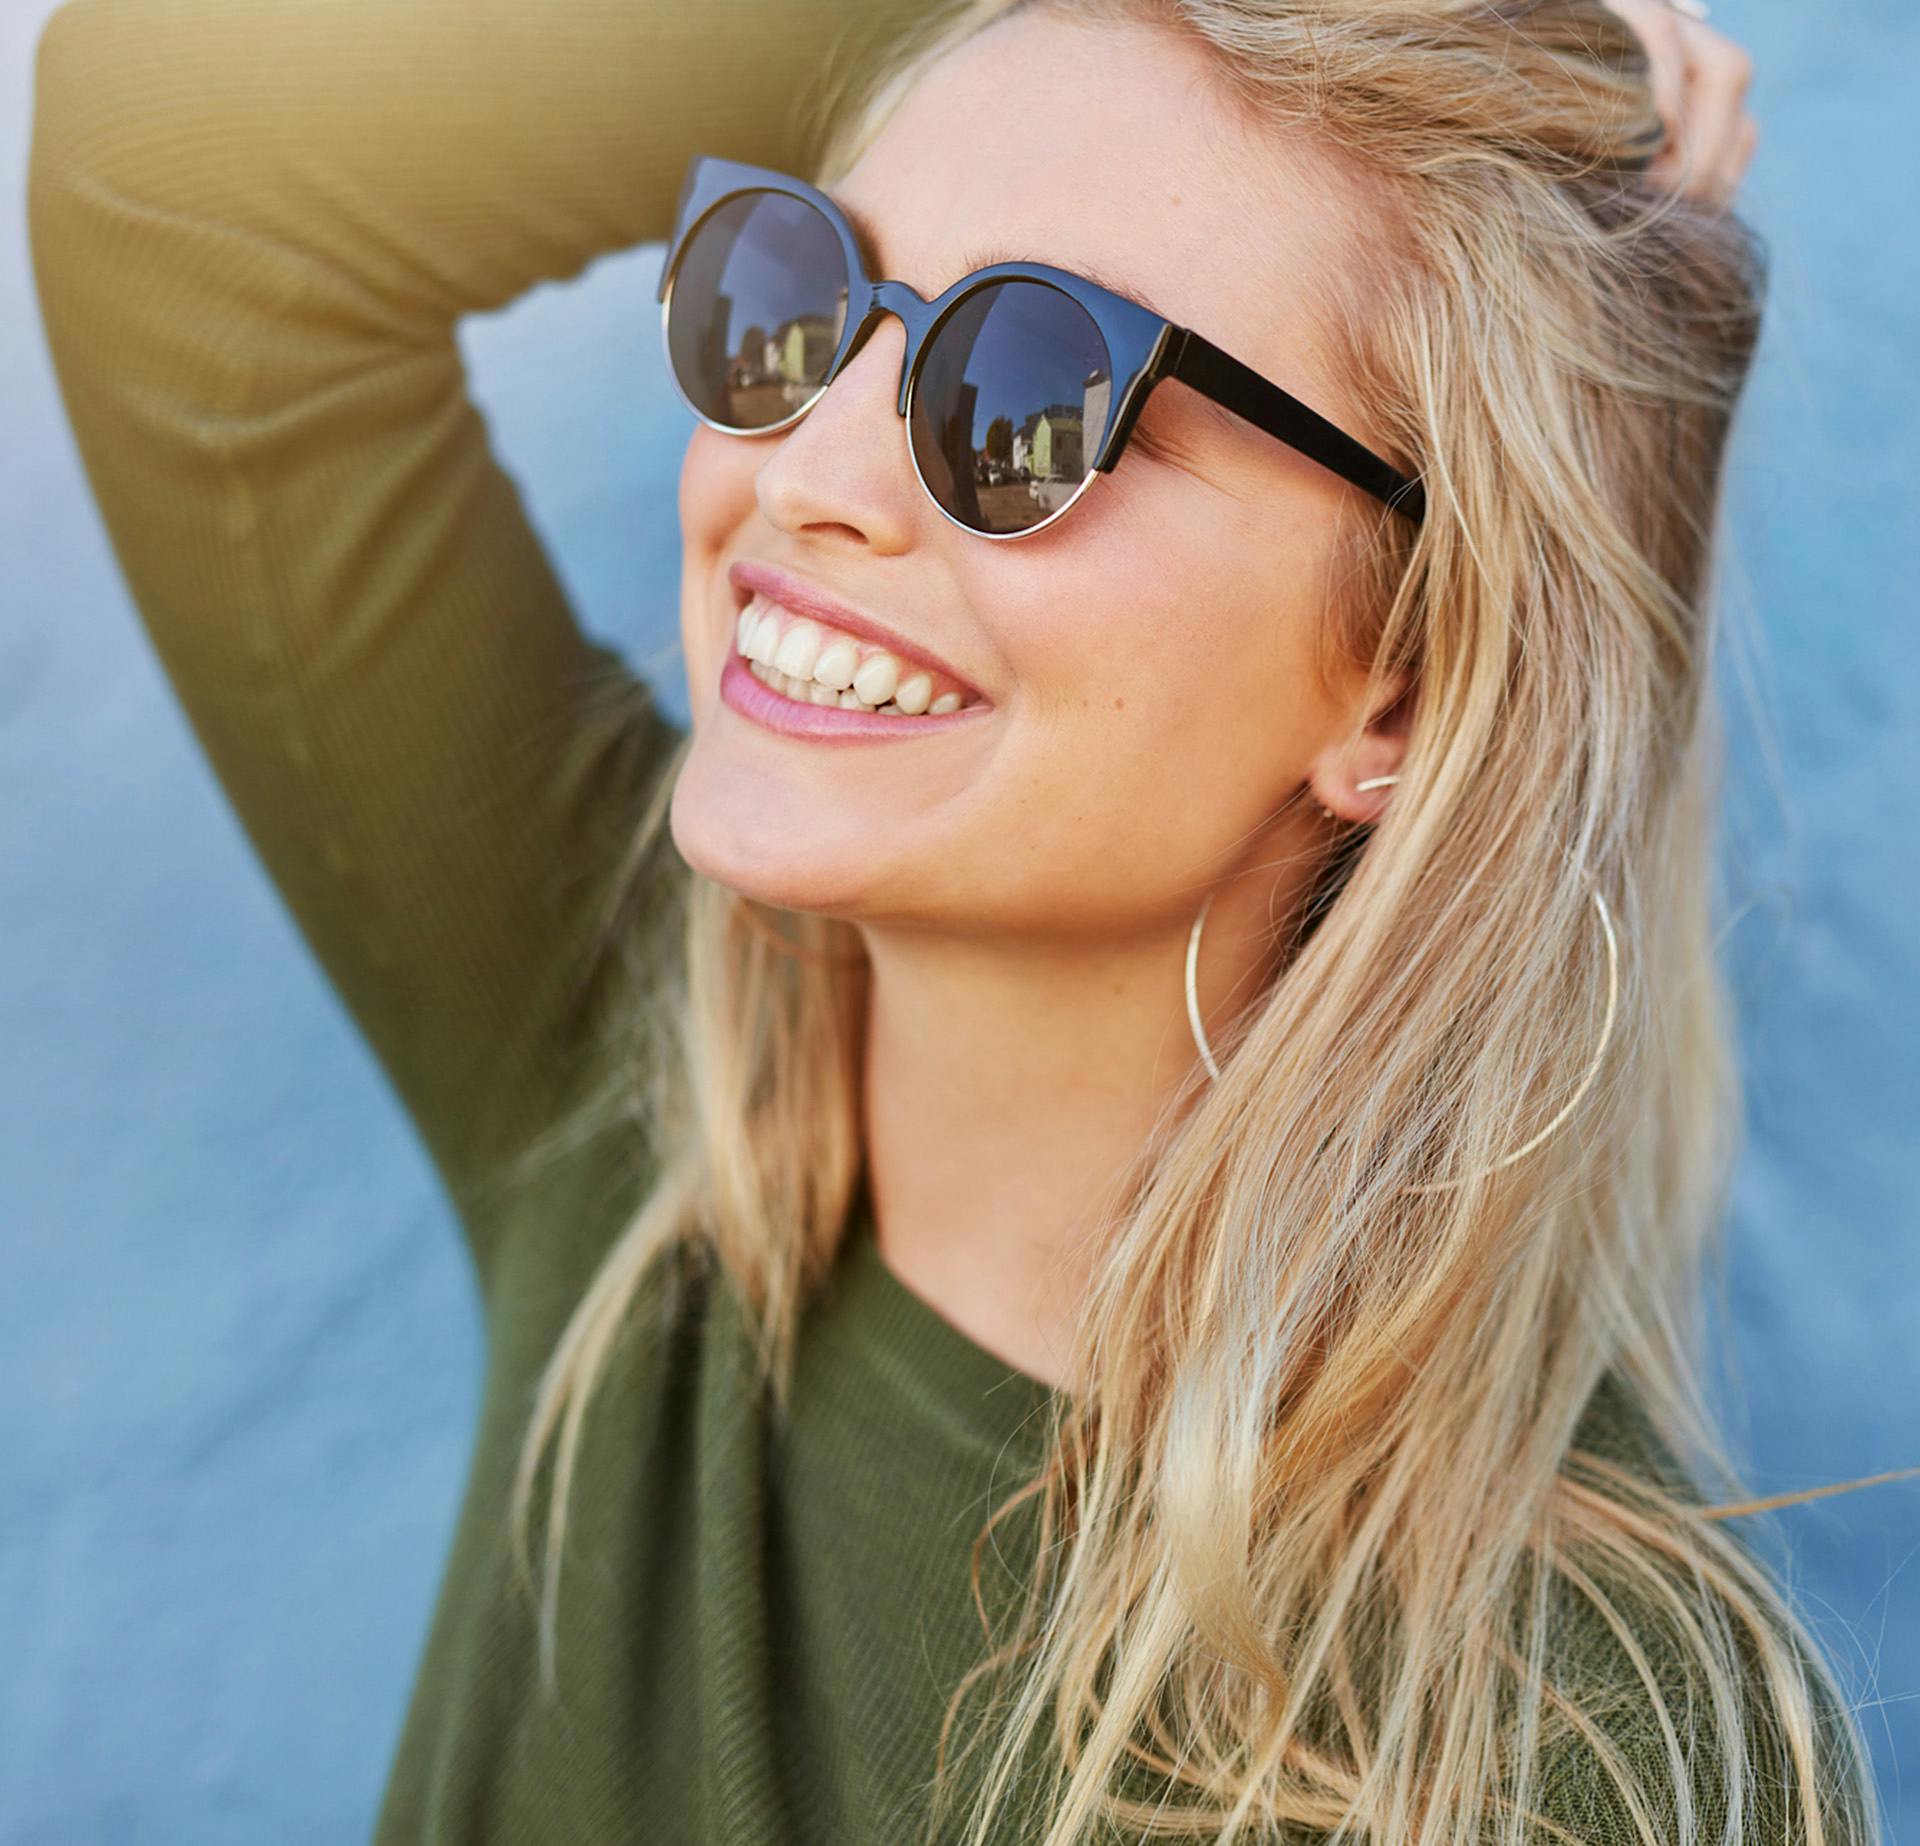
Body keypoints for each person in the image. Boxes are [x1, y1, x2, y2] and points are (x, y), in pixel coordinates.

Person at [25, 0, 1890, 1840]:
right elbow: (171, 167)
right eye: (803, 290)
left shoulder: (1570, 1757)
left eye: (1037, 389)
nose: (805, 475)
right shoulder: (639, 1110)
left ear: (1407, 675)